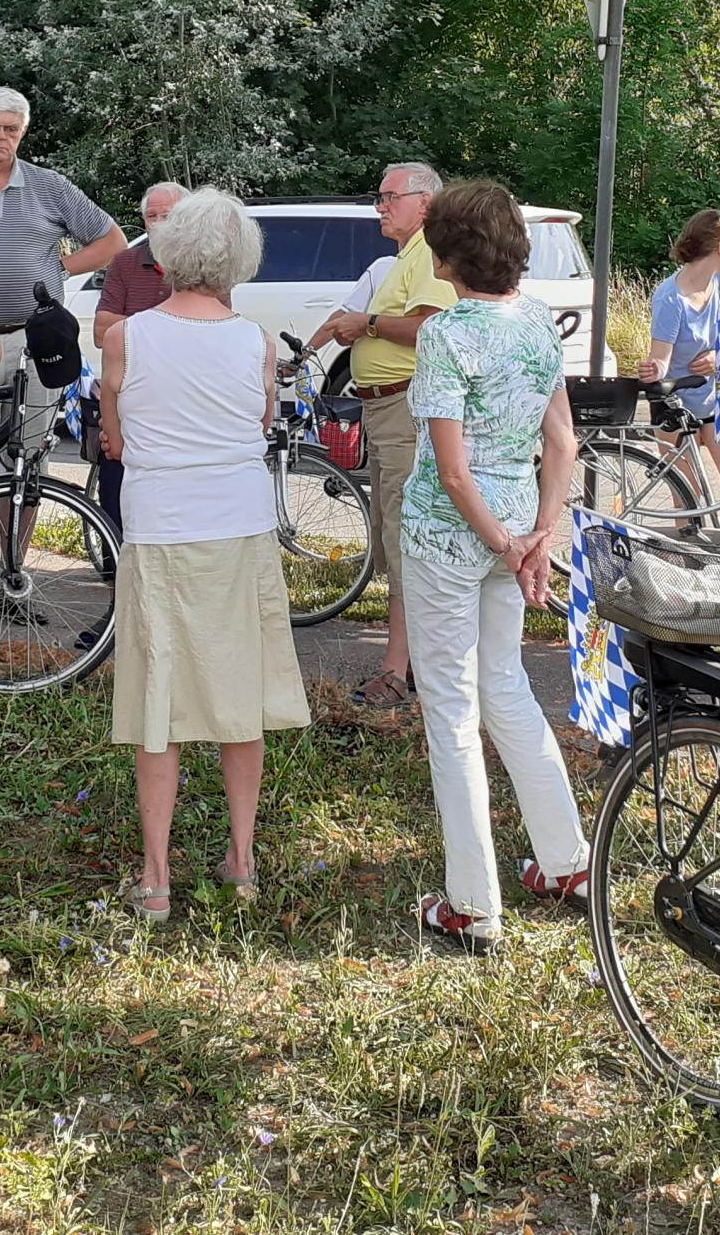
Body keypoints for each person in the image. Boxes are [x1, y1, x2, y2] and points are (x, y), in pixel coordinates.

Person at [97, 188, 311, 922]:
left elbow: (114, 439)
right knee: (239, 693)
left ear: (166, 254)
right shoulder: (255, 341)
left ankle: (156, 879)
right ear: (239, 260)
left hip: (159, 528)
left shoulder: (125, 338)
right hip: (240, 528)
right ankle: (241, 861)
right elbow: (261, 423)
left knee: (161, 695)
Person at [399, 178, 586, 953]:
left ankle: (473, 906)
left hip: (451, 538)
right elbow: (565, 444)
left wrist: (512, 546)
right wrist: (538, 535)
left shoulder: (447, 335)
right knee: (505, 685)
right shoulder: (538, 322)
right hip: (514, 527)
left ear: (447, 257)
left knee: (451, 714)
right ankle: (567, 862)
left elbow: (450, 472)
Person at [313, 162, 458, 710]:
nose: (380, 207)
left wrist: (366, 326)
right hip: (385, 408)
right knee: (396, 533)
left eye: (387, 197)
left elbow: (428, 327)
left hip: (403, 407)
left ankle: (398, 670)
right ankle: (414, 662)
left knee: (404, 539)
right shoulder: (407, 256)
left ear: (424, 201)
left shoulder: (427, 253)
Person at [0, 87, 124, 458]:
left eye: (11, 129)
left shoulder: (49, 186)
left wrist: (59, 268)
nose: (2, 136)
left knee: (30, 461)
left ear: (23, 132)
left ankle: (19, 518)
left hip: (37, 341)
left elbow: (113, 241)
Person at [635, 209, 720, 530]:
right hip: (678, 404)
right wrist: (653, 369)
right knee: (688, 504)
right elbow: (661, 359)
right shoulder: (670, 298)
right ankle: (692, 564)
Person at [91, 181, 186, 535]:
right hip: (130, 393)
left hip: (181, 398)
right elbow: (102, 331)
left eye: (168, 215)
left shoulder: (202, 262)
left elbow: (207, 331)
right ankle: (115, 565)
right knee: (115, 477)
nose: (159, 223)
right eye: (152, 216)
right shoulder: (127, 262)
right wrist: (170, 327)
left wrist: (132, 328)